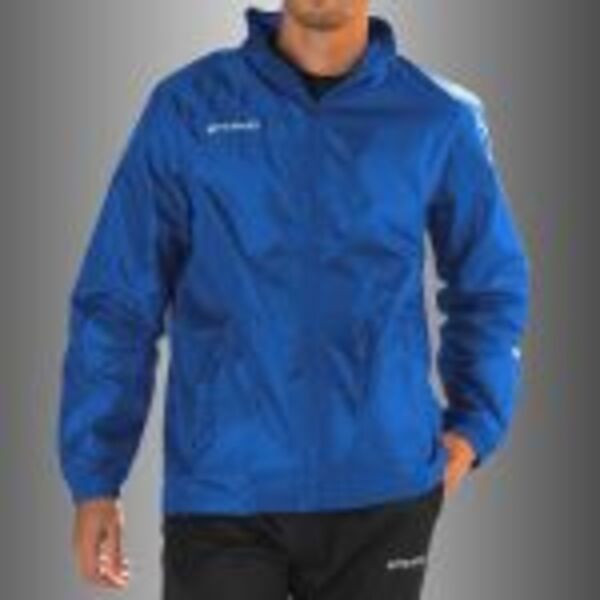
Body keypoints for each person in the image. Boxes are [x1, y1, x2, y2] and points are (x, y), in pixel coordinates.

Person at [56, 2, 531, 598]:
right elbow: (119, 297)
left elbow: (490, 281)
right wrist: (96, 477)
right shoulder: (188, 107)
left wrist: (476, 423)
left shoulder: (438, 116)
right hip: (225, 492)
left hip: (382, 493)